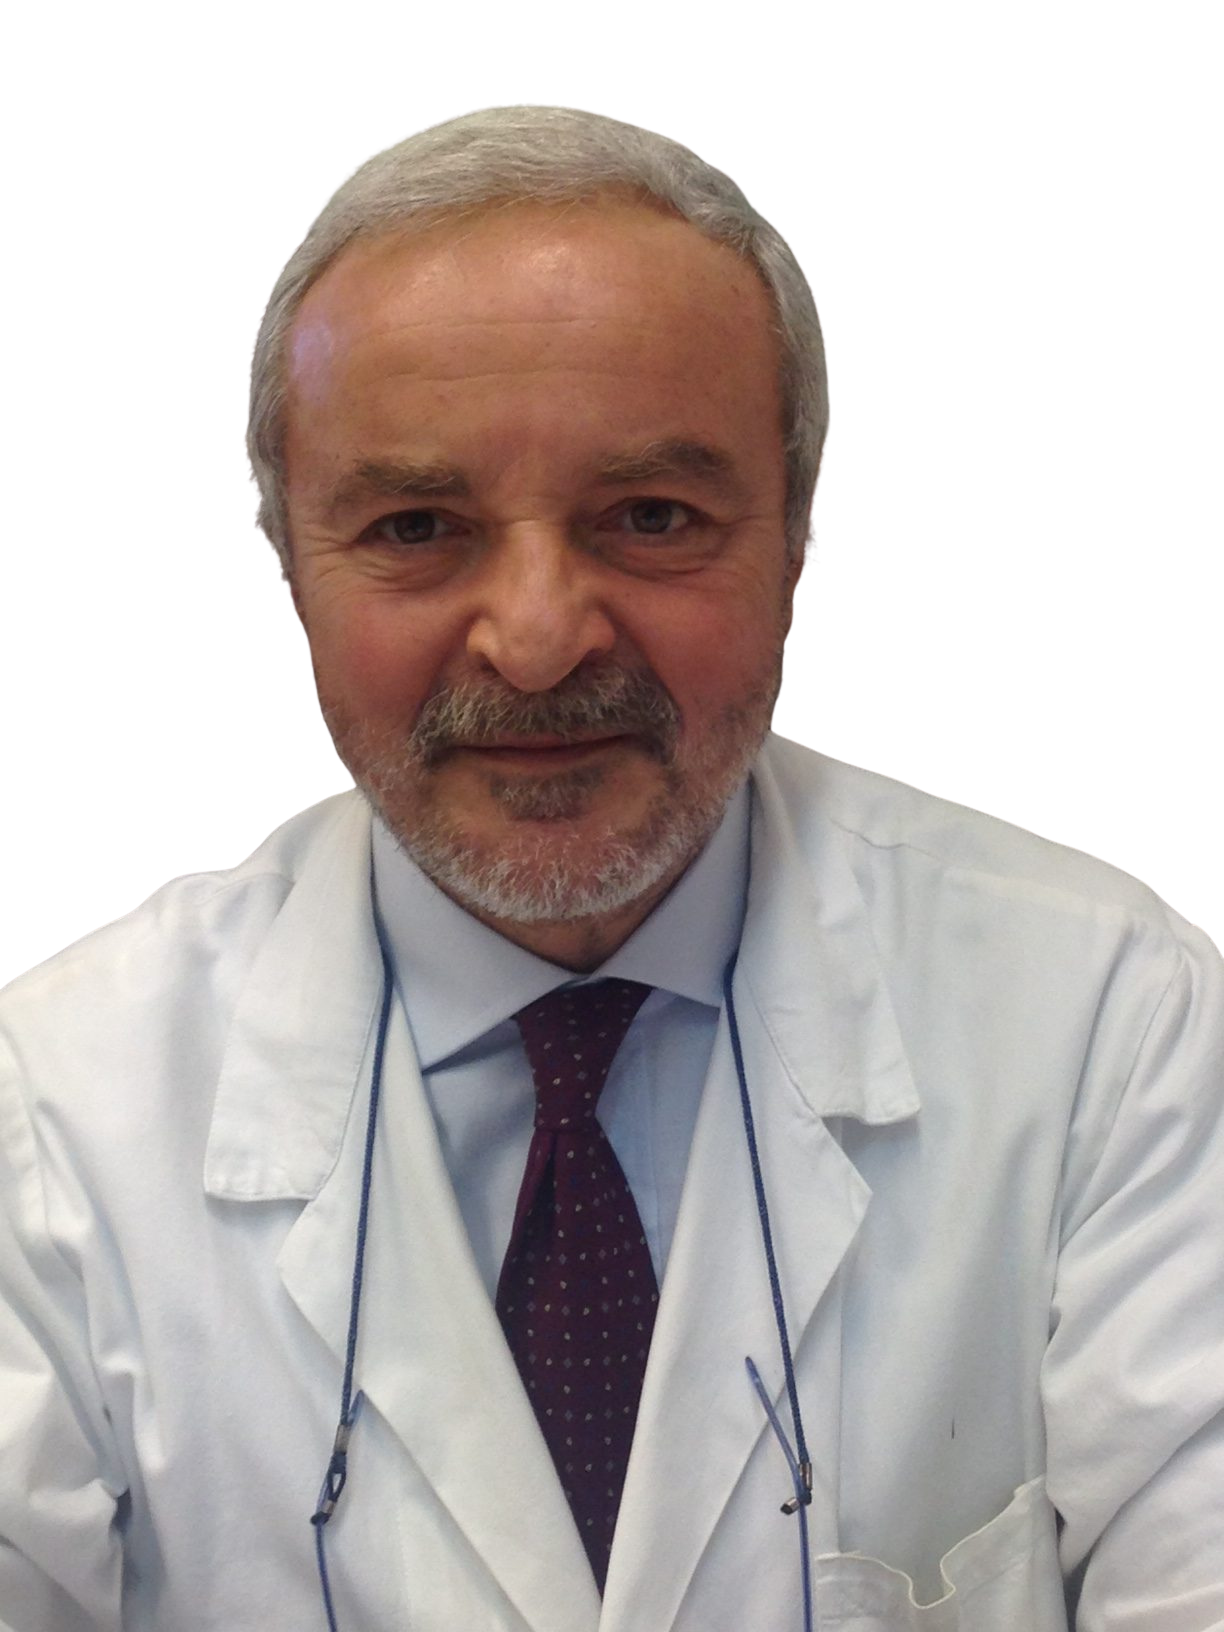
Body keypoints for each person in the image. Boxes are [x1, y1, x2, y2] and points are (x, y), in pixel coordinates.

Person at [0, 105, 1220, 1632]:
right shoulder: (56, 1112)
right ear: (292, 565)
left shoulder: (1111, 1026)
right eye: (417, 526)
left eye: (651, 518)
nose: (535, 639)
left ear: (794, 538)